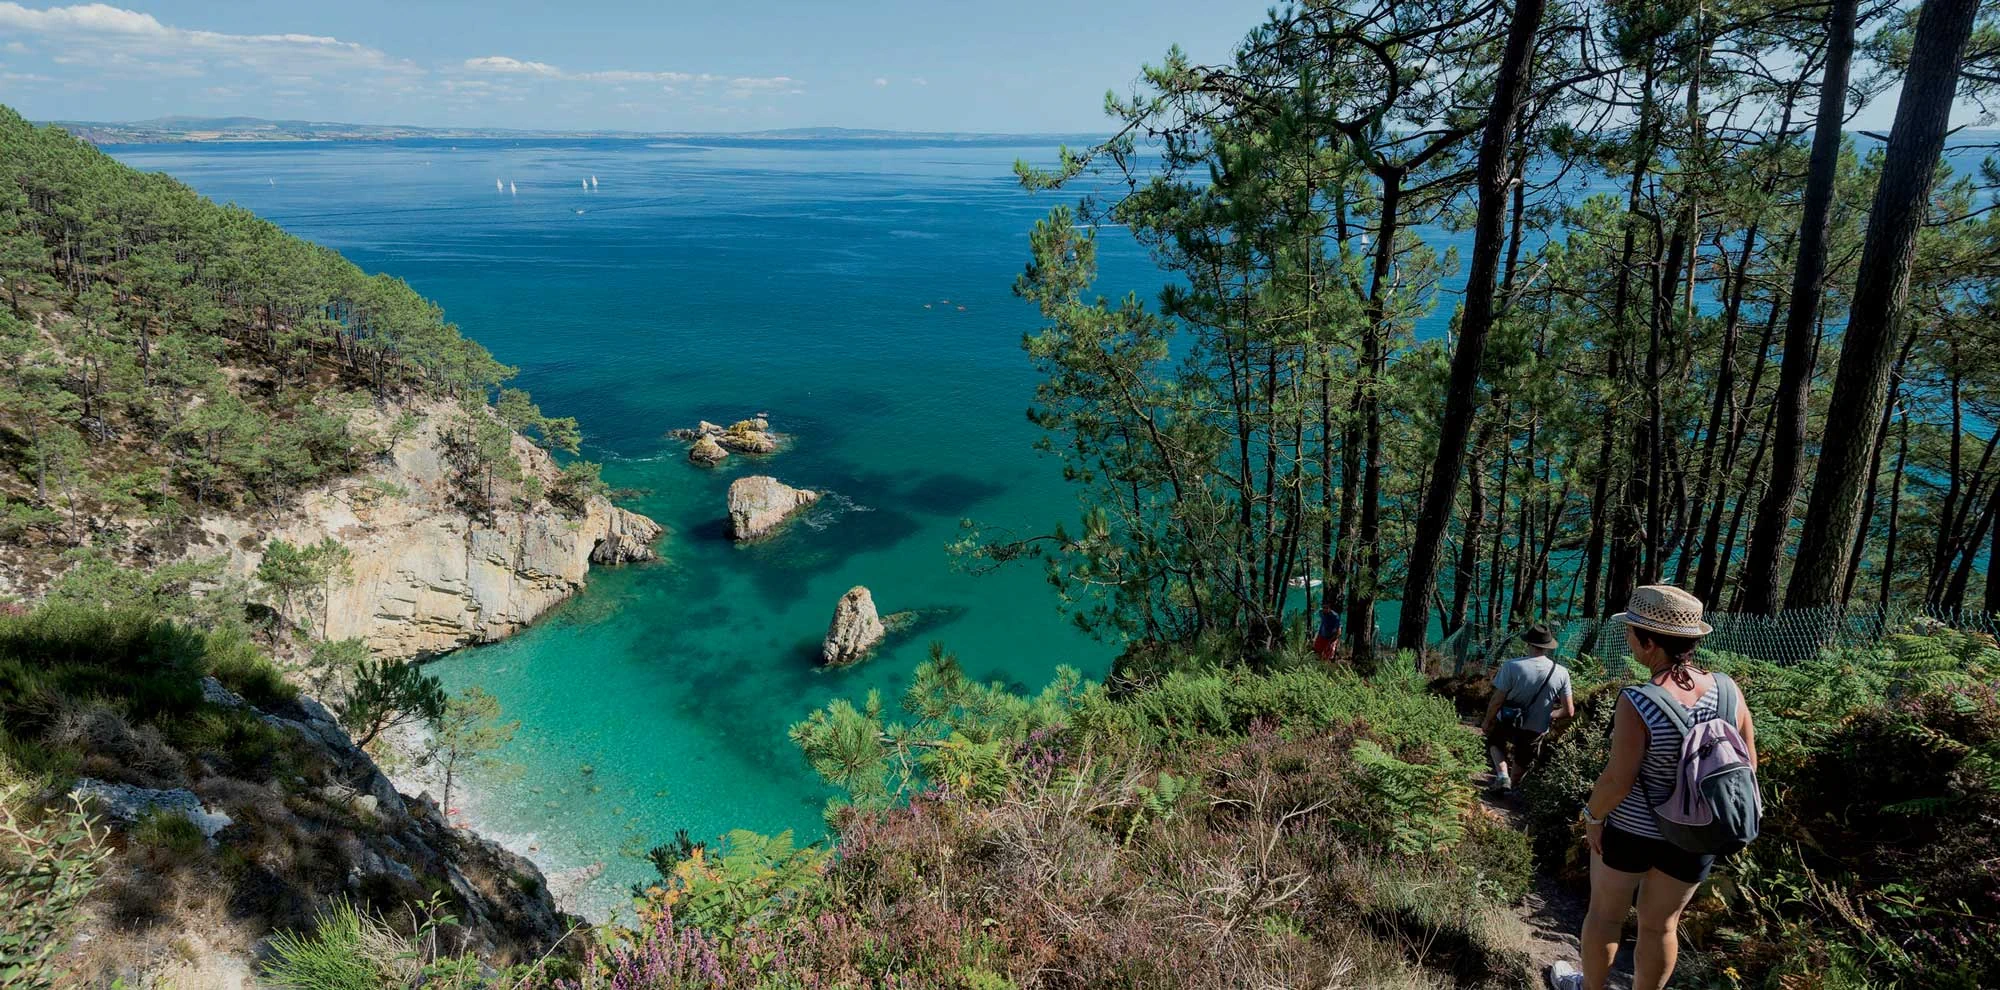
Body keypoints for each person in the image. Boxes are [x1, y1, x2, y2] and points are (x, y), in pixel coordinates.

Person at [1546, 584, 1759, 990]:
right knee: (1662, 926)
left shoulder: (1639, 700)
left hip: (1632, 831)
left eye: (1631, 632)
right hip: (1698, 834)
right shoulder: (1730, 691)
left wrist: (1592, 817)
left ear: (1648, 642)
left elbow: (1617, 780)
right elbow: (1748, 763)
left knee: (1605, 916)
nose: (1627, 639)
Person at [1481, 623, 1574, 792]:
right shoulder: (1562, 672)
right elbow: (1569, 711)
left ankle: (1502, 777)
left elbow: (1496, 699)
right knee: (1523, 759)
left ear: (1528, 643)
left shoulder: (1512, 666)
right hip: (1537, 726)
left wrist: (1487, 720)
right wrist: (1550, 714)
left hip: (1509, 720)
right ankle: (1512, 790)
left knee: (1495, 742)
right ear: (1548, 647)